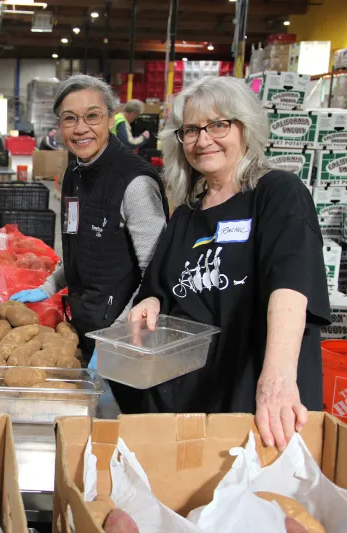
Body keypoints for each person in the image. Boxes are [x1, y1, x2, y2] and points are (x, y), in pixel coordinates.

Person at [124, 76, 329, 451]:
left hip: (252, 392)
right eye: (191, 130)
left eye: (218, 125)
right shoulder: (187, 213)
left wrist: (278, 379)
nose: (203, 140)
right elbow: (158, 286)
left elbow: (291, 287)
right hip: (187, 396)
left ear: (245, 127)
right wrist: (150, 302)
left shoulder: (277, 193)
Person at [9, 74, 168, 367]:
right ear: (59, 126)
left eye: (92, 116)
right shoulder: (73, 175)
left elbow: (156, 276)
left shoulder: (135, 184)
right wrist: (49, 286)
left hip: (125, 339)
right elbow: (74, 243)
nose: (81, 128)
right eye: (70, 118)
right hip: (84, 323)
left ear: (110, 119)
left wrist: (118, 336)